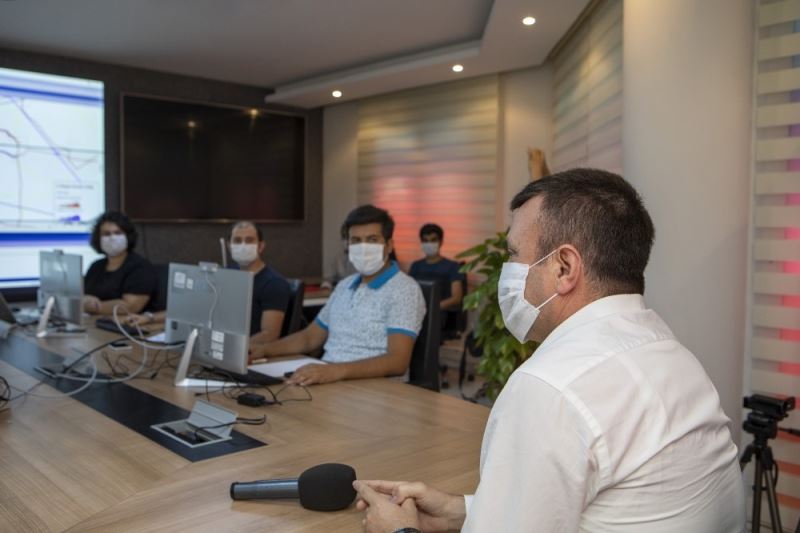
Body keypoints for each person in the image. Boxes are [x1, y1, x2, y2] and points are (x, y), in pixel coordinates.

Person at [354, 169, 745, 532]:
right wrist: (463, 510)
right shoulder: (671, 353)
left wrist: (401, 530)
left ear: (563, 268)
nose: (506, 269)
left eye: (513, 254)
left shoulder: (550, 387)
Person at [250, 204, 426, 386]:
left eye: (372, 239)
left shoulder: (404, 289)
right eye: (356, 240)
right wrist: (264, 350)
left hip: (374, 388)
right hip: (329, 380)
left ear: (389, 246)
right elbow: (310, 337)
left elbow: (397, 361)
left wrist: (335, 371)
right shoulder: (345, 285)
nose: (363, 247)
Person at [126, 221, 290, 344]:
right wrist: (149, 318)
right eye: (237, 240)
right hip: (214, 345)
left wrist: (233, 350)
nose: (243, 245)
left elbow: (269, 335)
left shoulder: (274, 284)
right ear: (229, 246)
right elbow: (195, 310)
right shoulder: (226, 274)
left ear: (260, 246)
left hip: (246, 354)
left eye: (249, 240)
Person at [83, 211, 157, 315]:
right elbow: (83, 296)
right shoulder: (96, 266)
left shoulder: (141, 267)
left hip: (125, 323)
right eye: (106, 234)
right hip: (94, 322)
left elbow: (130, 307)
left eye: (118, 233)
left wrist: (94, 307)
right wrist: (86, 301)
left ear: (128, 236)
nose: (112, 238)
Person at [408, 223, 465, 312]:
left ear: (441, 242)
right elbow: (408, 292)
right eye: (425, 240)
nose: (429, 243)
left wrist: (432, 308)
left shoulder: (453, 266)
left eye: (433, 240)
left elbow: (456, 298)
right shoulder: (416, 266)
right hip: (417, 311)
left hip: (440, 312)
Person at [321, 223, 357, 289]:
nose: (346, 241)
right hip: (342, 291)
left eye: (349, 237)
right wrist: (326, 285)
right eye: (344, 237)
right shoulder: (338, 257)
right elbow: (328, 279)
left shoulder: (363, 257)